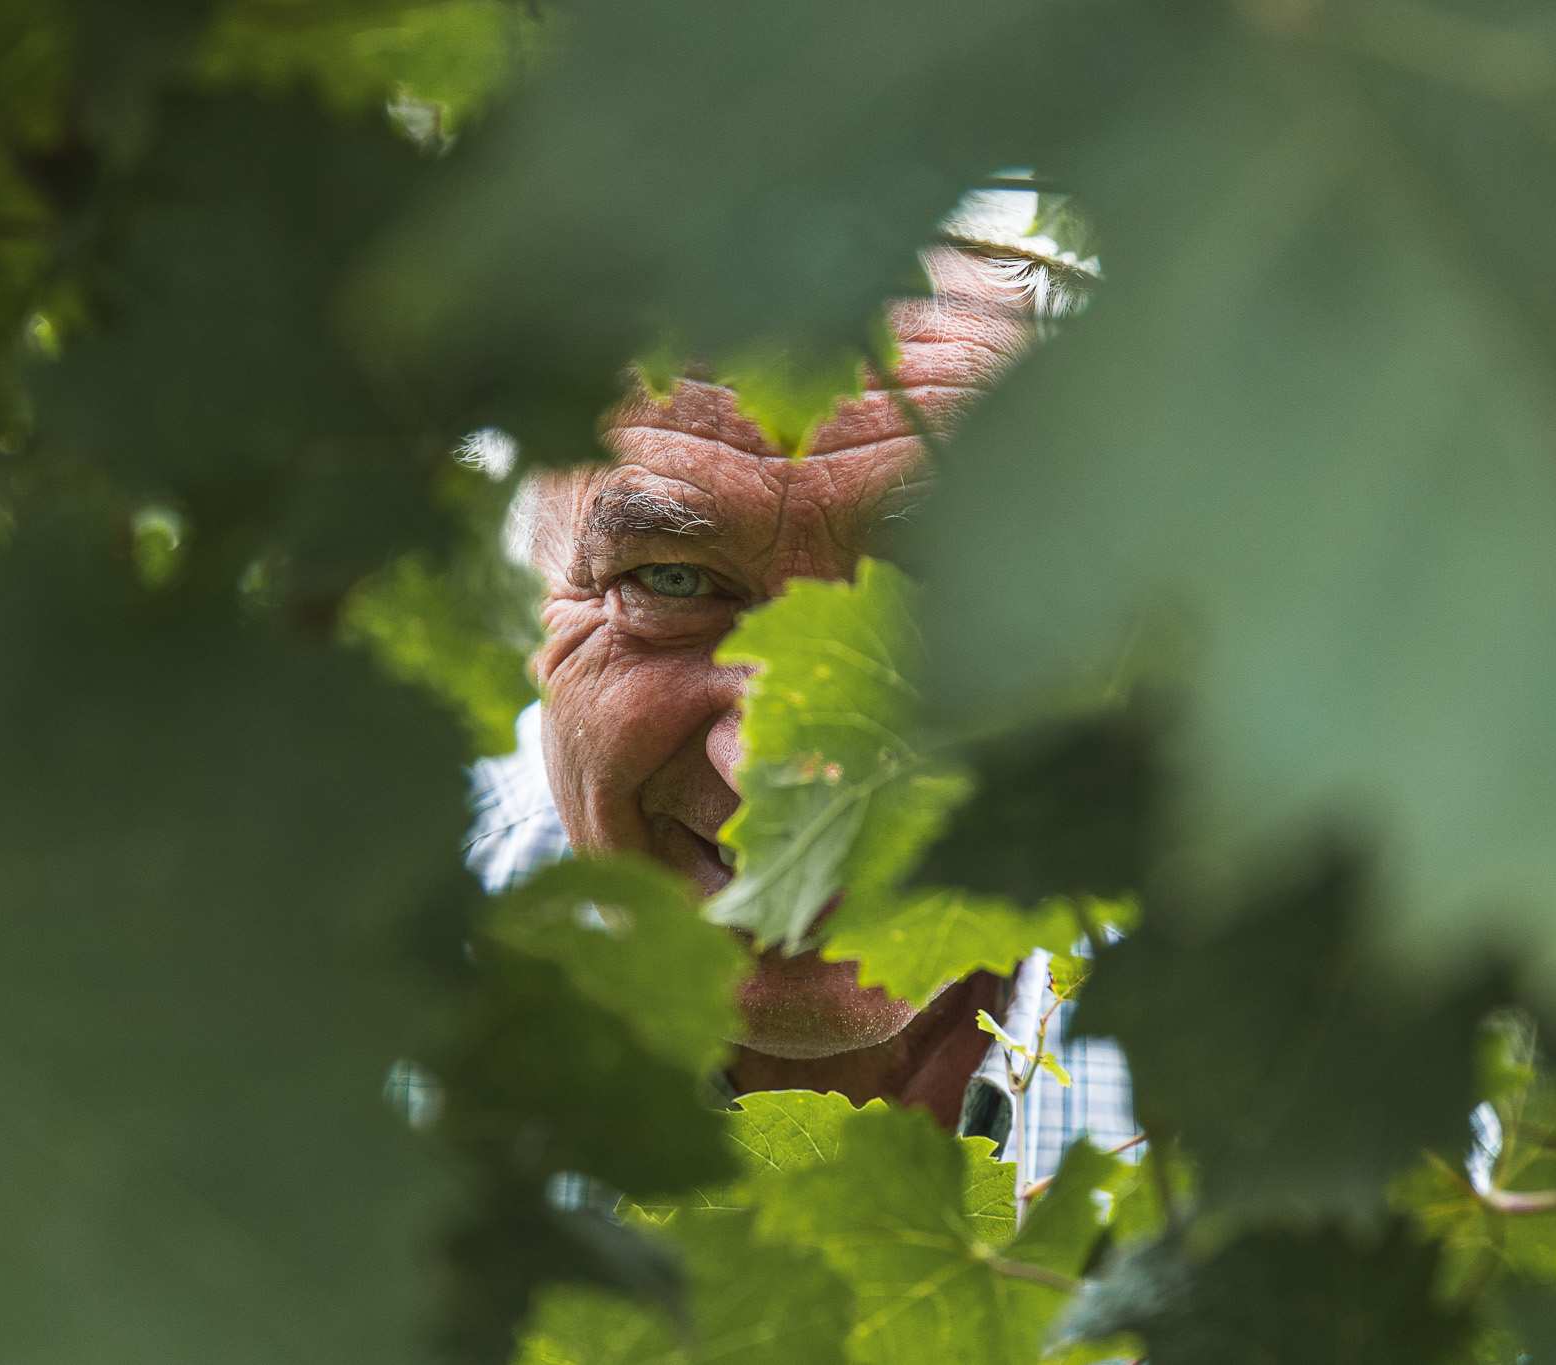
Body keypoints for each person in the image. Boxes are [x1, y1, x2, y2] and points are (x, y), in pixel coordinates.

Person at [465, 192, 1137, 1182]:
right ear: (532, 606)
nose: (781, 765)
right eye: (671, 580)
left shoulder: (1333, 1048)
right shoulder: (315, 1023)